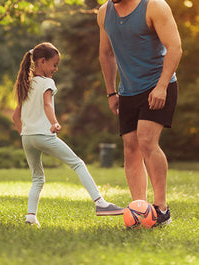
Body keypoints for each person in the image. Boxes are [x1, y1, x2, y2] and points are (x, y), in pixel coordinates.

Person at [92, 0, 182, 226]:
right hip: (127, 91)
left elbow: (175, 48)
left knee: (146, 140)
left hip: (158, 85)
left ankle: (161, 208)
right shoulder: (104, 13)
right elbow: (105, 54)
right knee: (130, 148)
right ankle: (140, 210)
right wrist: (111, 92)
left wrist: (162, 86)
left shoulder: (153, 6)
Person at [12, 42, 124, 227]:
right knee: (78, 164)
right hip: (44, 135)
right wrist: (54, 122)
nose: (56, 69)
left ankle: (30, 217)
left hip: (28, 138)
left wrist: (25, 133)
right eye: (54, 64)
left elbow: (16, 116)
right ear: (41, 61)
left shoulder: (27, 84)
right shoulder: (47, 82)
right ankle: (101, 204)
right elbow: (47, 104)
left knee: (37, 178)